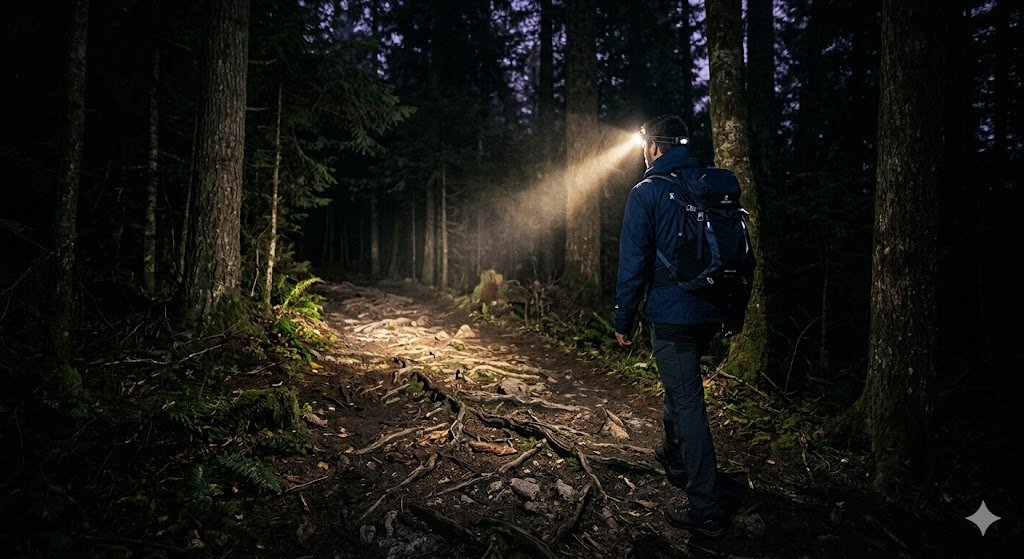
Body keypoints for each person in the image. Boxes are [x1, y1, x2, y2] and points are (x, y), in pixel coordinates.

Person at [613, 114, 728, 538]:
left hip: (672, 313)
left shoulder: (648, 192)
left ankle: (707, 509)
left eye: (645, 146)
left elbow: (632, 265)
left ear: (655, 147)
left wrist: (622, 318)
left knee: (688, 402)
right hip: (710, 310)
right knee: (680, 386)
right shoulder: (708, 185)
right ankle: (675, 458)